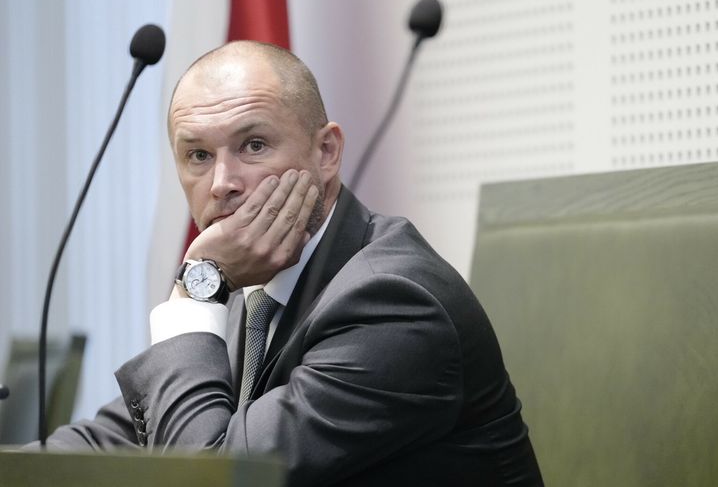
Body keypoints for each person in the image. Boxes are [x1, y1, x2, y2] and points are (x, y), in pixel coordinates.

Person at [39, 41, 543, 486]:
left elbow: (205, 479)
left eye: (253, 145)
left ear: (326, 153)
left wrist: (198, 286)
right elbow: (119, 440)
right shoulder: (249, 287)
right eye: (198, 156)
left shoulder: (393, 303)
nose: (222, 183)